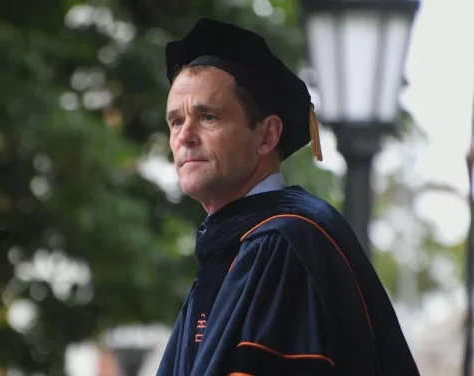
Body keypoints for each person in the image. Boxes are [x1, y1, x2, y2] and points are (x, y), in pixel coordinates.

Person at [156, 18, 420, 376]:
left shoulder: (281, 244)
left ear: (266, 136)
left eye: (208, 117)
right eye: (175, 121)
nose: (184, 136)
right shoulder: (230, 246)